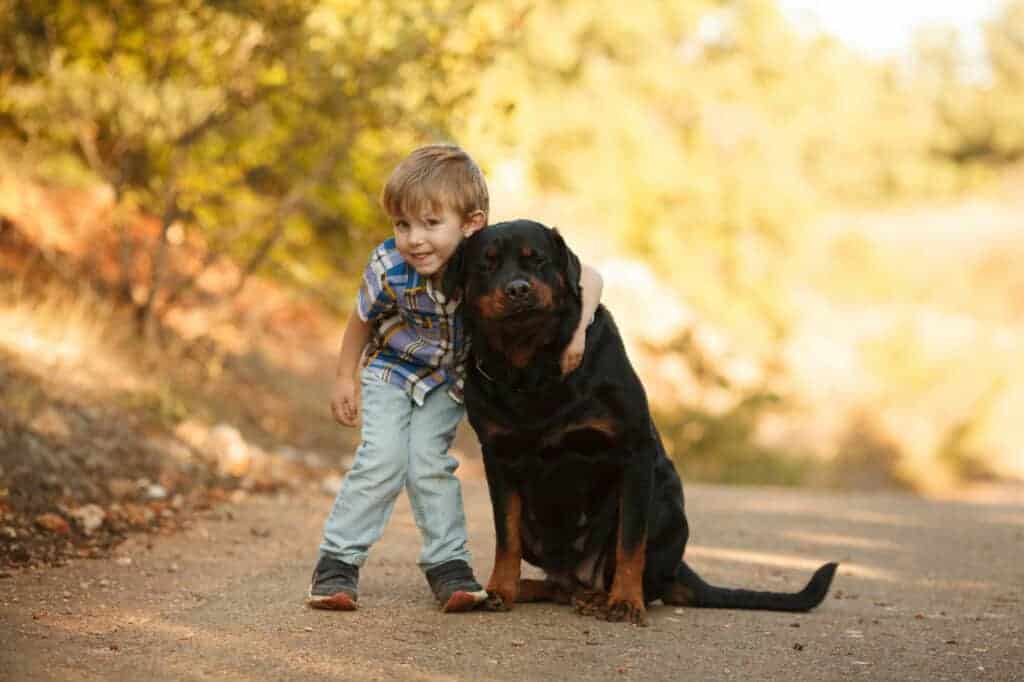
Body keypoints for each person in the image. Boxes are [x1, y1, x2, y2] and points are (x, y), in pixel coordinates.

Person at [307, 143, 604, 612]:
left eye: (430, 223)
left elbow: (588, 275)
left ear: (471, 224)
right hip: (392, 371)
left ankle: (449, 566)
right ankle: (337, 564)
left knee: (430, 465)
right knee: (382, 461)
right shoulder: (389, 265)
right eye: (402, 224)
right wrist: (345, 377)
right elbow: (360, 320)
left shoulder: (485, 262)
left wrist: (580, 333)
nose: (414, 239)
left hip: (446, 384)